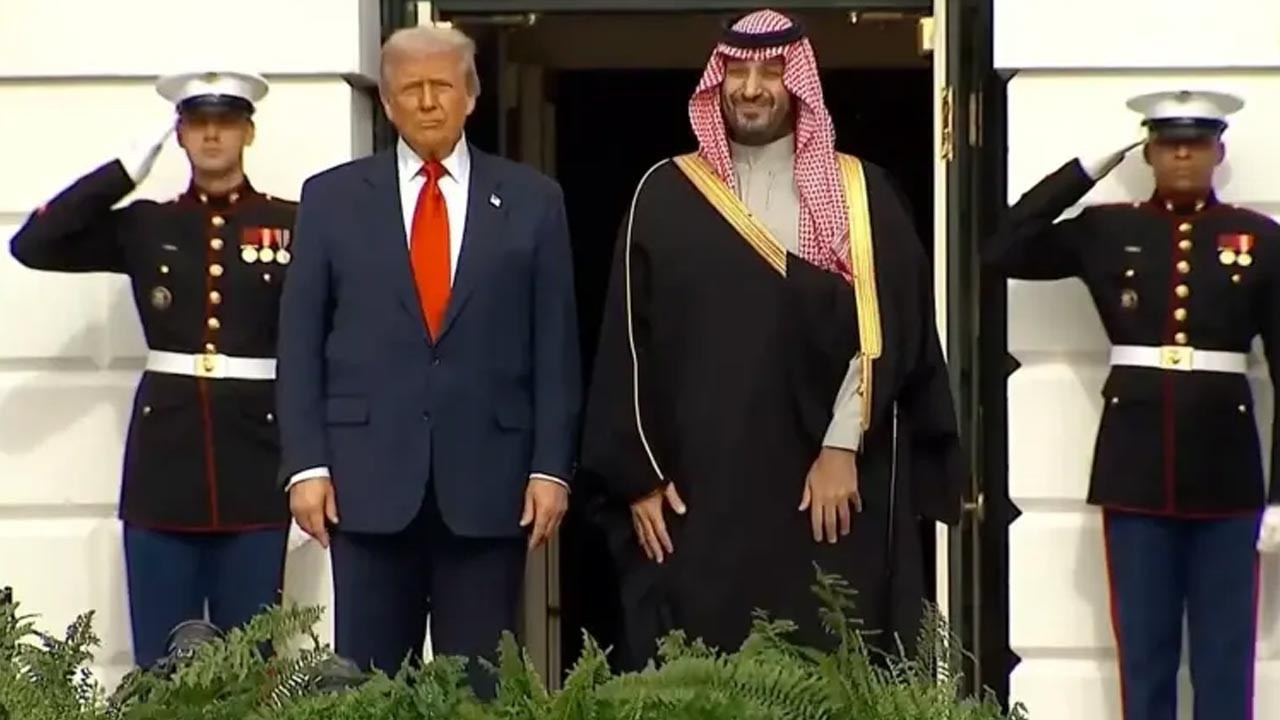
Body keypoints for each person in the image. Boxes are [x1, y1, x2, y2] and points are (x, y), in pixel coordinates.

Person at [578, 9, 965, 669]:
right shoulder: (664, 194)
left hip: (823, 488)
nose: (751, 88)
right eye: (737, 71)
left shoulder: (858, 194)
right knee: (698, 665)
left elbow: (885, 329)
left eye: (771, 72)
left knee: (825, 661)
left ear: (800, 84)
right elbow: (627, 347)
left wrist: (841, 446)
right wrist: (638, 479)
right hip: (702, 491)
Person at [276, 26, 580, 696]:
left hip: (490, 485)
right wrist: (306, 465)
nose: (427, 101)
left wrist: (551, 468)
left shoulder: (533, 201)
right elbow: (299, 344)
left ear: (471, 95)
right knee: (367, 688)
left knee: (480, 688)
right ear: (387, 104)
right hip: (365, 484)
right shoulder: (330, 199)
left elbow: (555, 345)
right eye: (410, 89)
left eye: (441, 86)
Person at [985, 89, 1280, 720]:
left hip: (1228, 478)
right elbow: (1002, 248)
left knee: (1225, 665)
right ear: (1147, 152)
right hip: (1135, 471)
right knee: (1143, 661)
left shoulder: (1262, 239)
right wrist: (1085, 169)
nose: (1182, 154)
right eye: (1169, 142)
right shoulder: (1108, 229)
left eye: (1196, 142)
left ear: (1218, 151)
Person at [9, 71, 297, 668]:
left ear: (248, 132)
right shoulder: (147, 225)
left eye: (225, 122)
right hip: (164, 465)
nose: (211, 135)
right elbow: (34, 244)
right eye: (197, 123)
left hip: (257, 461)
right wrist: (123, 171)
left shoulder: (293, 223)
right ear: (180, 134)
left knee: (253, 665)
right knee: (160, 667)